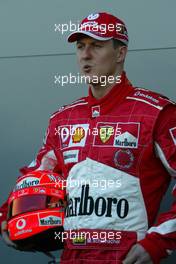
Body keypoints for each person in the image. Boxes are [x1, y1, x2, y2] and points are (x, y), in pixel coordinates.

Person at [1, 12, 176, 264]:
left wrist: (157, 242)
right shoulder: (63, 119)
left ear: (120, 53)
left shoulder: (156, 112)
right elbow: (35, 177)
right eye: (81, 46)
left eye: (97, 45)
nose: (85, 54)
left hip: (125, 257)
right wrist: (7, 216)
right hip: (71, 255)